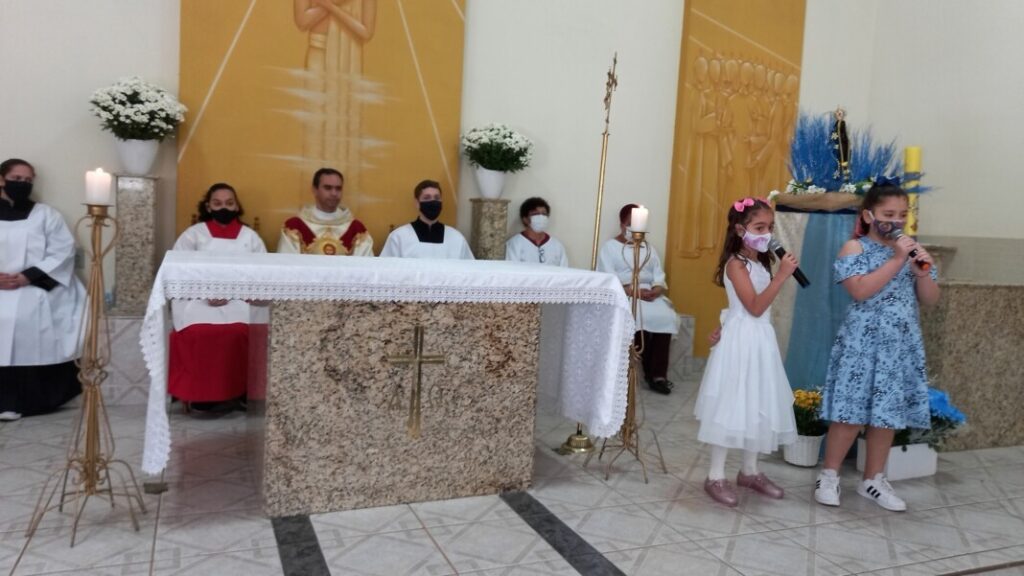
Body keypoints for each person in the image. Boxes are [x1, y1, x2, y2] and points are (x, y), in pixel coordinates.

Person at [814, 182, 939, 512]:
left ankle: (873, 479)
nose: (896, 221)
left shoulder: (912, 252)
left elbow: (930, 300)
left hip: (898, 345)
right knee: (850, 413)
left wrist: (922, 273)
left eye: (902, 215)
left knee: (886, 415)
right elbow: (860, 290)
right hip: (862, 342)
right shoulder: (854, 249)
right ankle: (828, 476)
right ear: (869, 215)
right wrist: (898, 260)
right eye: (888, 214)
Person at [694, 196, 799, 507]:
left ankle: (750, 470)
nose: (766, 233)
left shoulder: (758, 262)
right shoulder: (735, 264)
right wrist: (782, 276)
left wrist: (723, 324)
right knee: (731, 402)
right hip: (742, 341)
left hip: (759, 340)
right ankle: (715, 475)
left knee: (757, 402)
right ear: (740, 230)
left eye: (769, 227)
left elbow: (742, 308)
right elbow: (753, 306)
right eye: (759, 227)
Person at [0, 158, 85, 421]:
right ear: (1, 180)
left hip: (34, 283)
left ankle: (30, 400)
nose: (23, 184)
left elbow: (63, 251)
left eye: (28, 180)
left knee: (27, 315)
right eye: (17, 179)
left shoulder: (46, 215)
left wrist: (27, 277)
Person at [170, 183, 267, 412]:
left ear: (237, 206)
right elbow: (179, 272)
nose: (224, 207)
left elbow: (261, 273)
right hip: (199, 300)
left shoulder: (250, 238)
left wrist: (234, 294)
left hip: (240, 300)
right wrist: (206, 293)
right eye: (218, 203)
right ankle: (203, 396)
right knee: (199, 332)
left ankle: (244, 391)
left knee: (243, 331)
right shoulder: (193, 235)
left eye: (229, 203)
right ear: (208, 206)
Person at [598, 204, 677, 395]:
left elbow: (658, 274)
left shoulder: (648, 248)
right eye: (629, 224)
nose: (633, 229)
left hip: (649, 295)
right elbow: (608, 277)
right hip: (625, 294)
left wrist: (657, 290)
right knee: (635, 318)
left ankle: (657, 375)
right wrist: (633, 292)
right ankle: (627, 372)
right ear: (622, 224)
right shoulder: (610, 247)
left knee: (666, 317)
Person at [278, 168, 373, 255]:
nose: (334, 193)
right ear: (315, 190)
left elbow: (366, 268)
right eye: (328, 188)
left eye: (338, 188)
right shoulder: (294, 227)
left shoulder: (357, 230)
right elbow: (287, 266)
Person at [380, 180, 474, 259]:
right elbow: (386, 272)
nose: (433, 201)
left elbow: (470, 272)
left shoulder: (456, 238)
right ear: (417, 203)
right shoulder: (398, 237)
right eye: (427, 198)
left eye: (437, 198)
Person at [505, 197, 569, 267]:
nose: (541, 217)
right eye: (535, 214)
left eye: (544, 214)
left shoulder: (557, 246)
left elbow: (564, 272)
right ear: (525, 219)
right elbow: (512, 272)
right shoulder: (514, 244)